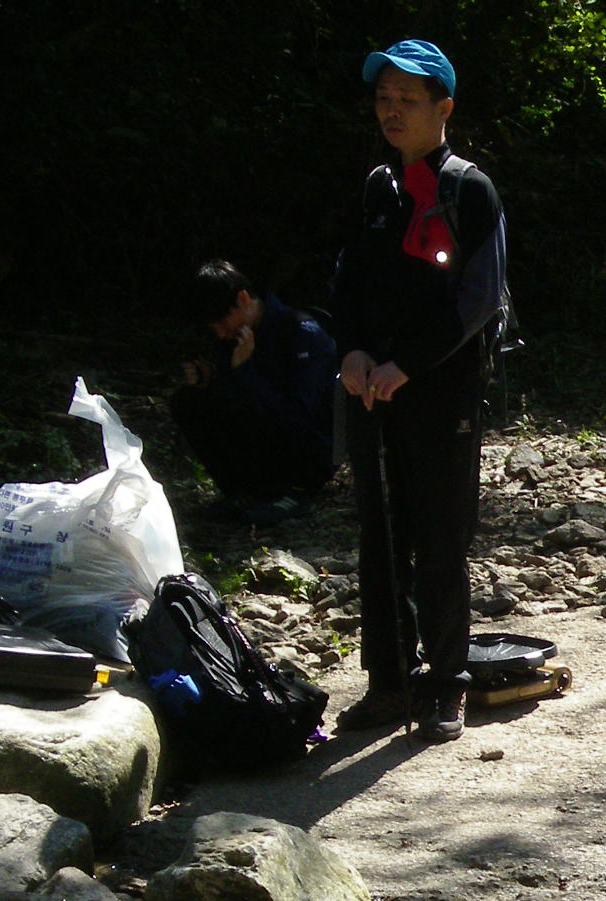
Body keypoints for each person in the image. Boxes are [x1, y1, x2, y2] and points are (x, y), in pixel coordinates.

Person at [330, 39, 507, 744]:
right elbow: (348, 280)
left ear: (445, 107)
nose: (392, 110)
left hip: (442, 394)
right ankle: (390, 682)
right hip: (371, 391)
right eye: (383, 98)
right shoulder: (378, 186)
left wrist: (406, 363)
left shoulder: (470, 189)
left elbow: (479, 299)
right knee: (380, 538)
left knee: (439, 538)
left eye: (408, 99)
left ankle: (445, 685)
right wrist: (352, 351)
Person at [170, 260, 336, 524]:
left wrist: (245, 371)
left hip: (308, 447)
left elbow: (297, 417)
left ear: (243, 298)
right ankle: (243, 490)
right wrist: (208, 383)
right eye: (214, 328)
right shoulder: (234, 339)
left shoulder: (301, 332)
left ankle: (293, 491)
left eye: (223, 322)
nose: (222, 333)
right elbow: (233, 403)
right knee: (189, 401)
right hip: (263, 438)